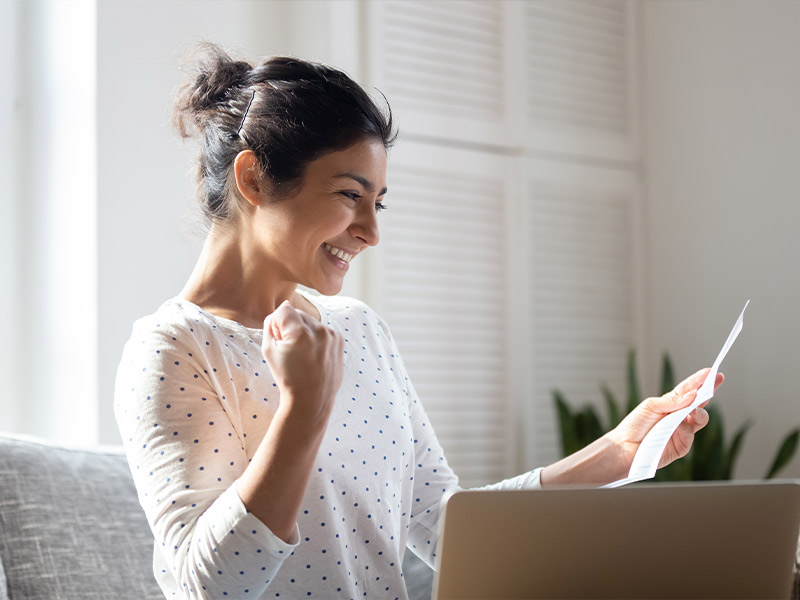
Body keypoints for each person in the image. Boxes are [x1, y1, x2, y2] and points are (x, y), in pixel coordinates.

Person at [114, 43, 721, 600]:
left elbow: (441, 525)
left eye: (377, 203)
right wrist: (304, 410)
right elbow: (208, 586)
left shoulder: (358, 329)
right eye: (351, 195)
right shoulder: (174, 348)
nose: (371, 232)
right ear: (253, 178)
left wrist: (618, 451)